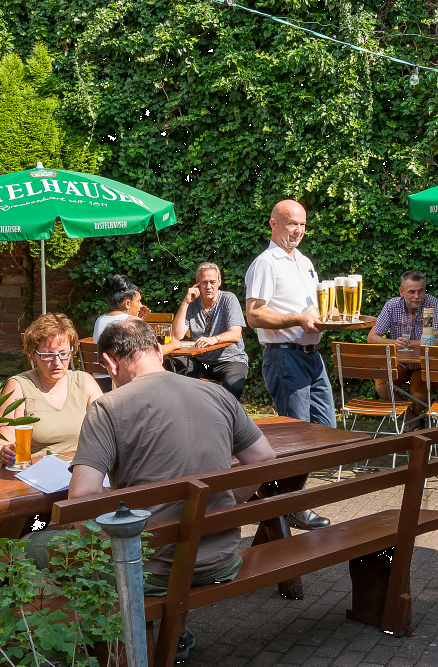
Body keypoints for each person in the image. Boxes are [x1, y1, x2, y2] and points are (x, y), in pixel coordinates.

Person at [64, 318, 277, 662]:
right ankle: (174, 637)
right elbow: (265, 460)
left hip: (153, 570)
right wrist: (221, 504)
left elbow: (83, 499)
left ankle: (110, 647)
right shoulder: (217, 392)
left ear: (110, 363)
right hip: (219, 558)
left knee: (38, 547)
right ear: (159, 352)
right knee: (169, 533)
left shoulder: (108, 406)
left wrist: (101, 548)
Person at [244, 199, 332, 531]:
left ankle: (278, 499)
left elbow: (311, 310)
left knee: (325, 430)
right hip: (284, 355)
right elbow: (254, 315)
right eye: (291, 223)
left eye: (302, 225)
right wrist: (297, 318)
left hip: (312, 356)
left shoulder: (305, 262)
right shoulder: (266, 263)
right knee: (298, 435)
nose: (297, 230)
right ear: (273, 224)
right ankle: (291, 506)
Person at [0, 313, 103, 465]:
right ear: (33, 355)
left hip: (80, 469)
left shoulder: (84, 382)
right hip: (36, 473)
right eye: (48, 355)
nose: (57, 362)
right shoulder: (19, 386)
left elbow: (107, 429)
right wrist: (5, 453)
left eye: (63, 353)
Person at [367, 270, 438, 428]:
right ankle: (415, 423)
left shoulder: (431, 303)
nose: (417, 296)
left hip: (425, 364)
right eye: (411, 292)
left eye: (420, 291)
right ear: (401, 292)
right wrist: (392, 342)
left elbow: (435, 339)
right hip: (401, 362)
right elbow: (372, 337)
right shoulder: (392, 305)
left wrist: (410, 344)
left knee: (418, 396)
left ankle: (410, 426)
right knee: (382, 382)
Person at [169, 262, 249, 399]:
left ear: (219, 282)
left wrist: (213, 339)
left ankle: (225, 418)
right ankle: (187, 412)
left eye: (212, 282)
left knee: (233, 385)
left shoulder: (228, 299)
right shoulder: (192, 304)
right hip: (199, 361)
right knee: (168, 366)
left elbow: (235, 334)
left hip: (229, 360)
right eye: (204, 282)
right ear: (197, 283)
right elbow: (177, 335)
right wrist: (185, 303)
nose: (208, 287)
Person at [92, 274, 181, 391]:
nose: (141, 306)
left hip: (100, 381)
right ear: (127, 304)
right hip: (122, 382)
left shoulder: (100, 319)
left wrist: (140, 321)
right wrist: (174, 344)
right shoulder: (133, 322)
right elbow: (152, 354)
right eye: (138, 301)